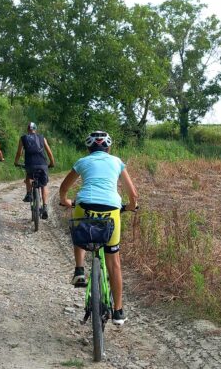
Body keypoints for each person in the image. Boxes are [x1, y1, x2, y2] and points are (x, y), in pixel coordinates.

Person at [59, 131, 138, 326]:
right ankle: (118, 311)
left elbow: (63, 187)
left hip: (84, 206)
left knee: (80, 230)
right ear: (108, 148)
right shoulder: (117, 162)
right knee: (114, 262)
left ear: (89, 148)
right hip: (111, 210)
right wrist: (129, 207)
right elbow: (133, 194)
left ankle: (79, 270)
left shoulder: (83, 161)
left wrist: (65, 201)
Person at [14, 122, 56, 219]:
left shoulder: (23, 138)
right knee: (44, 185)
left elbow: (19, 153)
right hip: (42, 164)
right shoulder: (42, 137)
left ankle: (29, 194)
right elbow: (49, 152)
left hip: (30, 165)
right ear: (35, 129)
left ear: (28, 129)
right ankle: (45, 206)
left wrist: (16, 162)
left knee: (28, 176)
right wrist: (52, 163)